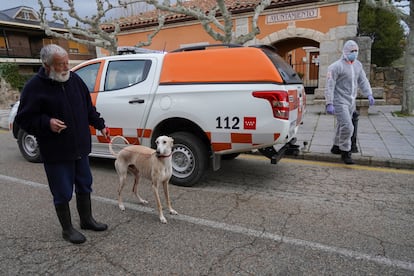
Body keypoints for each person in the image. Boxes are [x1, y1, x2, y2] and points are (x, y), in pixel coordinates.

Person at [15, 44, 109, 244]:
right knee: (62, 191)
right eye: (61, 64)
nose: (66, 67)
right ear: (47, 65)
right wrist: (46, 123)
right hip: (56, 151)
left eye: (67, 62)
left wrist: (101, 125)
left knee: (85, 185)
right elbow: (24, 119)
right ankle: (67, 230)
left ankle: (86, 220)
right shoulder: (34, 87)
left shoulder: (74, 80)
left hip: (80, 148)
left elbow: (88, 107)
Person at [324, 40, 375, 164]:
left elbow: (363, 80)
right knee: (348, 126)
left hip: (351, 100)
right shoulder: (336, 66)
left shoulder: (357, 65)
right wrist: (329, 102)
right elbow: (330, 85)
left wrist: (369, 94)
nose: (355, 53)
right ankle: (346, 151)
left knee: (342, 125)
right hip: (339, 101)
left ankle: (336, 146)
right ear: (346, 51)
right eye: (352, 51)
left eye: (356, 51)